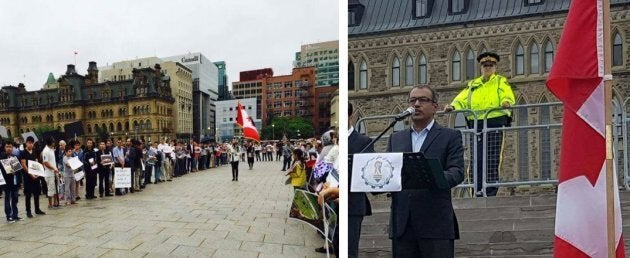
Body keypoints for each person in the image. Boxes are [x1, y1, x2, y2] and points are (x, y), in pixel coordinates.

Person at [388, 85, 464, 258]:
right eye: (412, 100)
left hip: (435, 224)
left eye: (423, 100)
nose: (416, 104)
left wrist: (432, 176)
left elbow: (457, 171)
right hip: (403, 224)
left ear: (435, 106)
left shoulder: (450, 136)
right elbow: (389, 171)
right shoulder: (396, 138)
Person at [444, 52, 515, 197]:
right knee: (476, 159)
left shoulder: (501, 81)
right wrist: (453, 106)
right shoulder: (473, 85)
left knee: (493, 158)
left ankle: (490, 191)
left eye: (490, 65)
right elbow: (462, 98)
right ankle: (476, 190)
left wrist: (506, 102)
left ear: (495, 67)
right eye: (485, 65)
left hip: (495, 122)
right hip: (476, 125)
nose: (488, 68)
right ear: (481, 67)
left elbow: (507, 94)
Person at [347, 103, 374, 258]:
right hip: (330, 200)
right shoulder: (332, 142)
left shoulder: (364, 141)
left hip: (352, 204)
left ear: (351, 116)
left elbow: (369, 174)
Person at [20, 136, 45, 218]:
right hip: (28, 177)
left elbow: (38, 162)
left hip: (36, 175)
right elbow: (23, 165)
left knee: (37, 192)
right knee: (28, 194)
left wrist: (38, 172)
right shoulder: (23, 152)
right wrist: (31, 174)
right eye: (29, 143)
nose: (30, 144)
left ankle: (37, 209)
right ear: (26, 143)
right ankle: (28, 211)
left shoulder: (35, 151)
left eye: (32, 143)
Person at [1, 142, 23, 223]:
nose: (9, 148)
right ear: (4, 148)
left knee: (15, 198)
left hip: (15, 182)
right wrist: (9, 172)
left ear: (12, 148)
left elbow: (18, 171)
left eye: (10, 147)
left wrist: (20, 182)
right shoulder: (2, 157)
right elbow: (2, 170)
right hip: (6, 182)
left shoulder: (15, 157)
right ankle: (8, 216)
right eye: (7, 147)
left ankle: (15, 215)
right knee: (7, 199)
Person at [40, 136, 60, 208]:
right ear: (51, 142)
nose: (54, 143)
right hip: (49, 173)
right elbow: (45, 162)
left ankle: (55, 202)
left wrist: (55, 168)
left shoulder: (51, 149)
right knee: (51, 188)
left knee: (55, 188)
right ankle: (50, 204)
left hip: (54, 172)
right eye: (53, 142)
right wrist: (53, 168)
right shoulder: (46, 150)